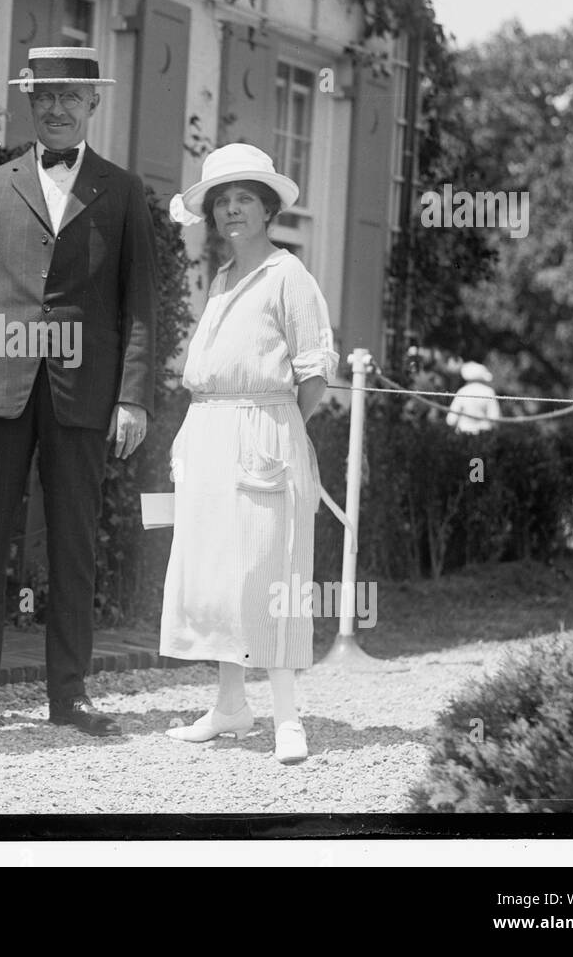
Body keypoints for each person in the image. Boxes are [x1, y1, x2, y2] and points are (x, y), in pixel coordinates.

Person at [0, 46, 157, 737]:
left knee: (74, 544)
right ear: (30, 101)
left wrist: (134, 396)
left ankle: (70, 693)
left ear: (94, 103)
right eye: (45, 95)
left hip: (83, 393)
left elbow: (141, 306)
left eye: (71, 95)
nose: (57, 107)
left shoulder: (123, 192)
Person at [160, 144, 337, 765]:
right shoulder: (224, 278)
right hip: (209, 432)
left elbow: (314, 371)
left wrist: (276, 429)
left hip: (263, 435)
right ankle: (231, 706)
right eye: (223, 202)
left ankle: (287, 716)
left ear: (267, 211)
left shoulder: (289, 275)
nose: (233, 211)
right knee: (215, 576)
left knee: (270, 574)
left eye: (245, 201)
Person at [447, 361, 501, 433]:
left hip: (463, 435)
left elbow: (451, 420)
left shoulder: (462, 391)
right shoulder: (489, 392)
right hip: (484, 436)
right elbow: (494, 419)